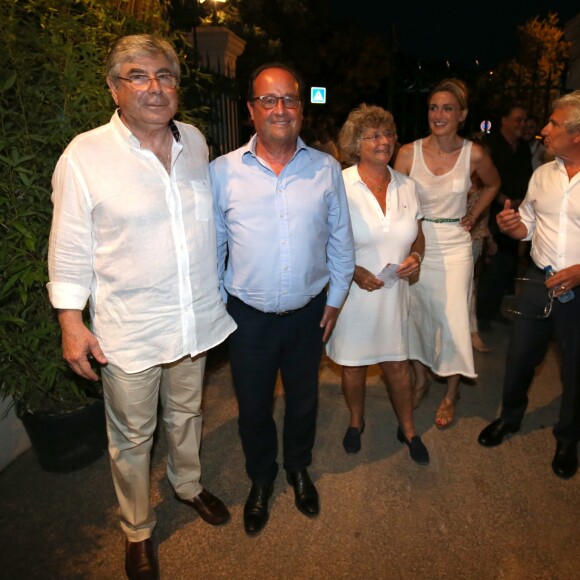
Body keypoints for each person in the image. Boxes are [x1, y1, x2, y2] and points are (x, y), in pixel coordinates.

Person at [47, 35, 237, 579]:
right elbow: (68, 245)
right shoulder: (85, 155)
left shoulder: (195, 142)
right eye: (138, 75)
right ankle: (137, 529)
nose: (155, 87)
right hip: (128, 329)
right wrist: (70, 322)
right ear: (113, 87)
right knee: (131, 437)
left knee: (188, 413)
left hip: (193, 318)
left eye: (165, 76)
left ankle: (188, 486)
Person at [211, 63, 355, 536]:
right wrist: (216, 309)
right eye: (268, 100)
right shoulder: (222, 172)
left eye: (289, 99)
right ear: (251, 110)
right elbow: (212, 248)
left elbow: (341, 241)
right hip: (247, 319)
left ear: (301, 108)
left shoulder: (326, 169)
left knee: (303, 402)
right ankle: (261, 478)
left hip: (309, 314)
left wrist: (334, 301)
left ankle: (297, 467)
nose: (280, 109)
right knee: (252, 408)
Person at [477, 91, 580, 480]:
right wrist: (514, 227)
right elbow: (528, 224)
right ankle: (511, 417)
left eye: (553, 124)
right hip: (538, 281)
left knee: (575, 368)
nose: (544, 130)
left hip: (578, 289)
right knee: (520, 357)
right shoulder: (543, 174)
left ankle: (569, 437)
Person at [325, 104, 428, 465]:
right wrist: (353, 271)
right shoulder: (340, 184)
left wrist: (417, 257)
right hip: (354, 293)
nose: (383, 141)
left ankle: (409, 429)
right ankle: (356, 422)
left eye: (387, 134)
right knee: (353, 365)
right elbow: (323, 240)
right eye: (372, 136)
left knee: (397, 366)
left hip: (394, 292)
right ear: (356, 144)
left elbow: (418, 235)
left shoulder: (407, 186)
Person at [395, 79, 500, 428]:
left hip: (455, 246)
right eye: (433, 107)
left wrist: (474, 213)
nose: (438, 115)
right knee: (417, 315)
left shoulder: (475, 154)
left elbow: (494, 183)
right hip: (417, 243)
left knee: (453, 320)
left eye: (447, 108)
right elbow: (394, 199)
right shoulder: (408, 153)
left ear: (462, 115)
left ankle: (452, 393)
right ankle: (422, 378)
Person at [476, 103, 532, 329]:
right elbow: (485, 182)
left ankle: (494, 310)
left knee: (507, 267)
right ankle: (481, 316)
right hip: (493, 215)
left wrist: (523, 203)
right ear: (505, 121)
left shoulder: (523, 148)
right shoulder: (491, 146)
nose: (522, 124)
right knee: (492, 267)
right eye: (517, 119)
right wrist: (504, 200)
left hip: (515, 215)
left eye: (524, 120)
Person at [467, 173, 494, 353]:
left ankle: (472, 331)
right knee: (465, 287)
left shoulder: (486, 189)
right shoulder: (460, 187)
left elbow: (483, 220)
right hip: (450, 242)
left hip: (475, 240)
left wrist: (490, 239)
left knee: (468, 286)